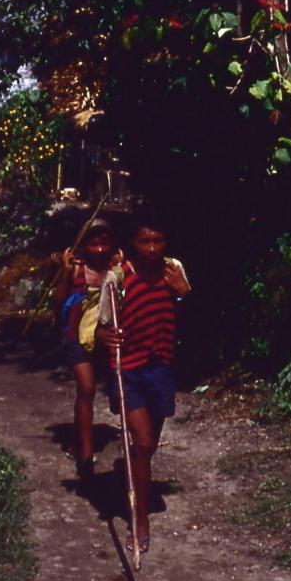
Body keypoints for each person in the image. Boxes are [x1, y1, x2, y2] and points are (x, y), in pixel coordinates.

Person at [96, 215, 191, 553]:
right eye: (144, 241)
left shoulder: (173, 271)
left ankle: (136, 481)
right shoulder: (118, 277)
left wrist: (184, 295)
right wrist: (105, 336)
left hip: (161, 366)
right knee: (145, 440)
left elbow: (187, 319)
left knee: (146, 449)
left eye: (157, 241)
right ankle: (139, 519)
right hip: (129, 370)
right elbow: (101, 325)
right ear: (132, 244)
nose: (151, 249)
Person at [52, 218, 121, 479]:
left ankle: (82, 440)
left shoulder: (116, 269)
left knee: (117, 389)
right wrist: (65, 273)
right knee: (87, 387)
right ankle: (85, 452)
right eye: (94, 244)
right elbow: (58, 302)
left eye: (104, 244)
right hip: (76, 337)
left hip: (105, 338)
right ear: (84, 246)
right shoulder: (76, 269)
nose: (100, 250)